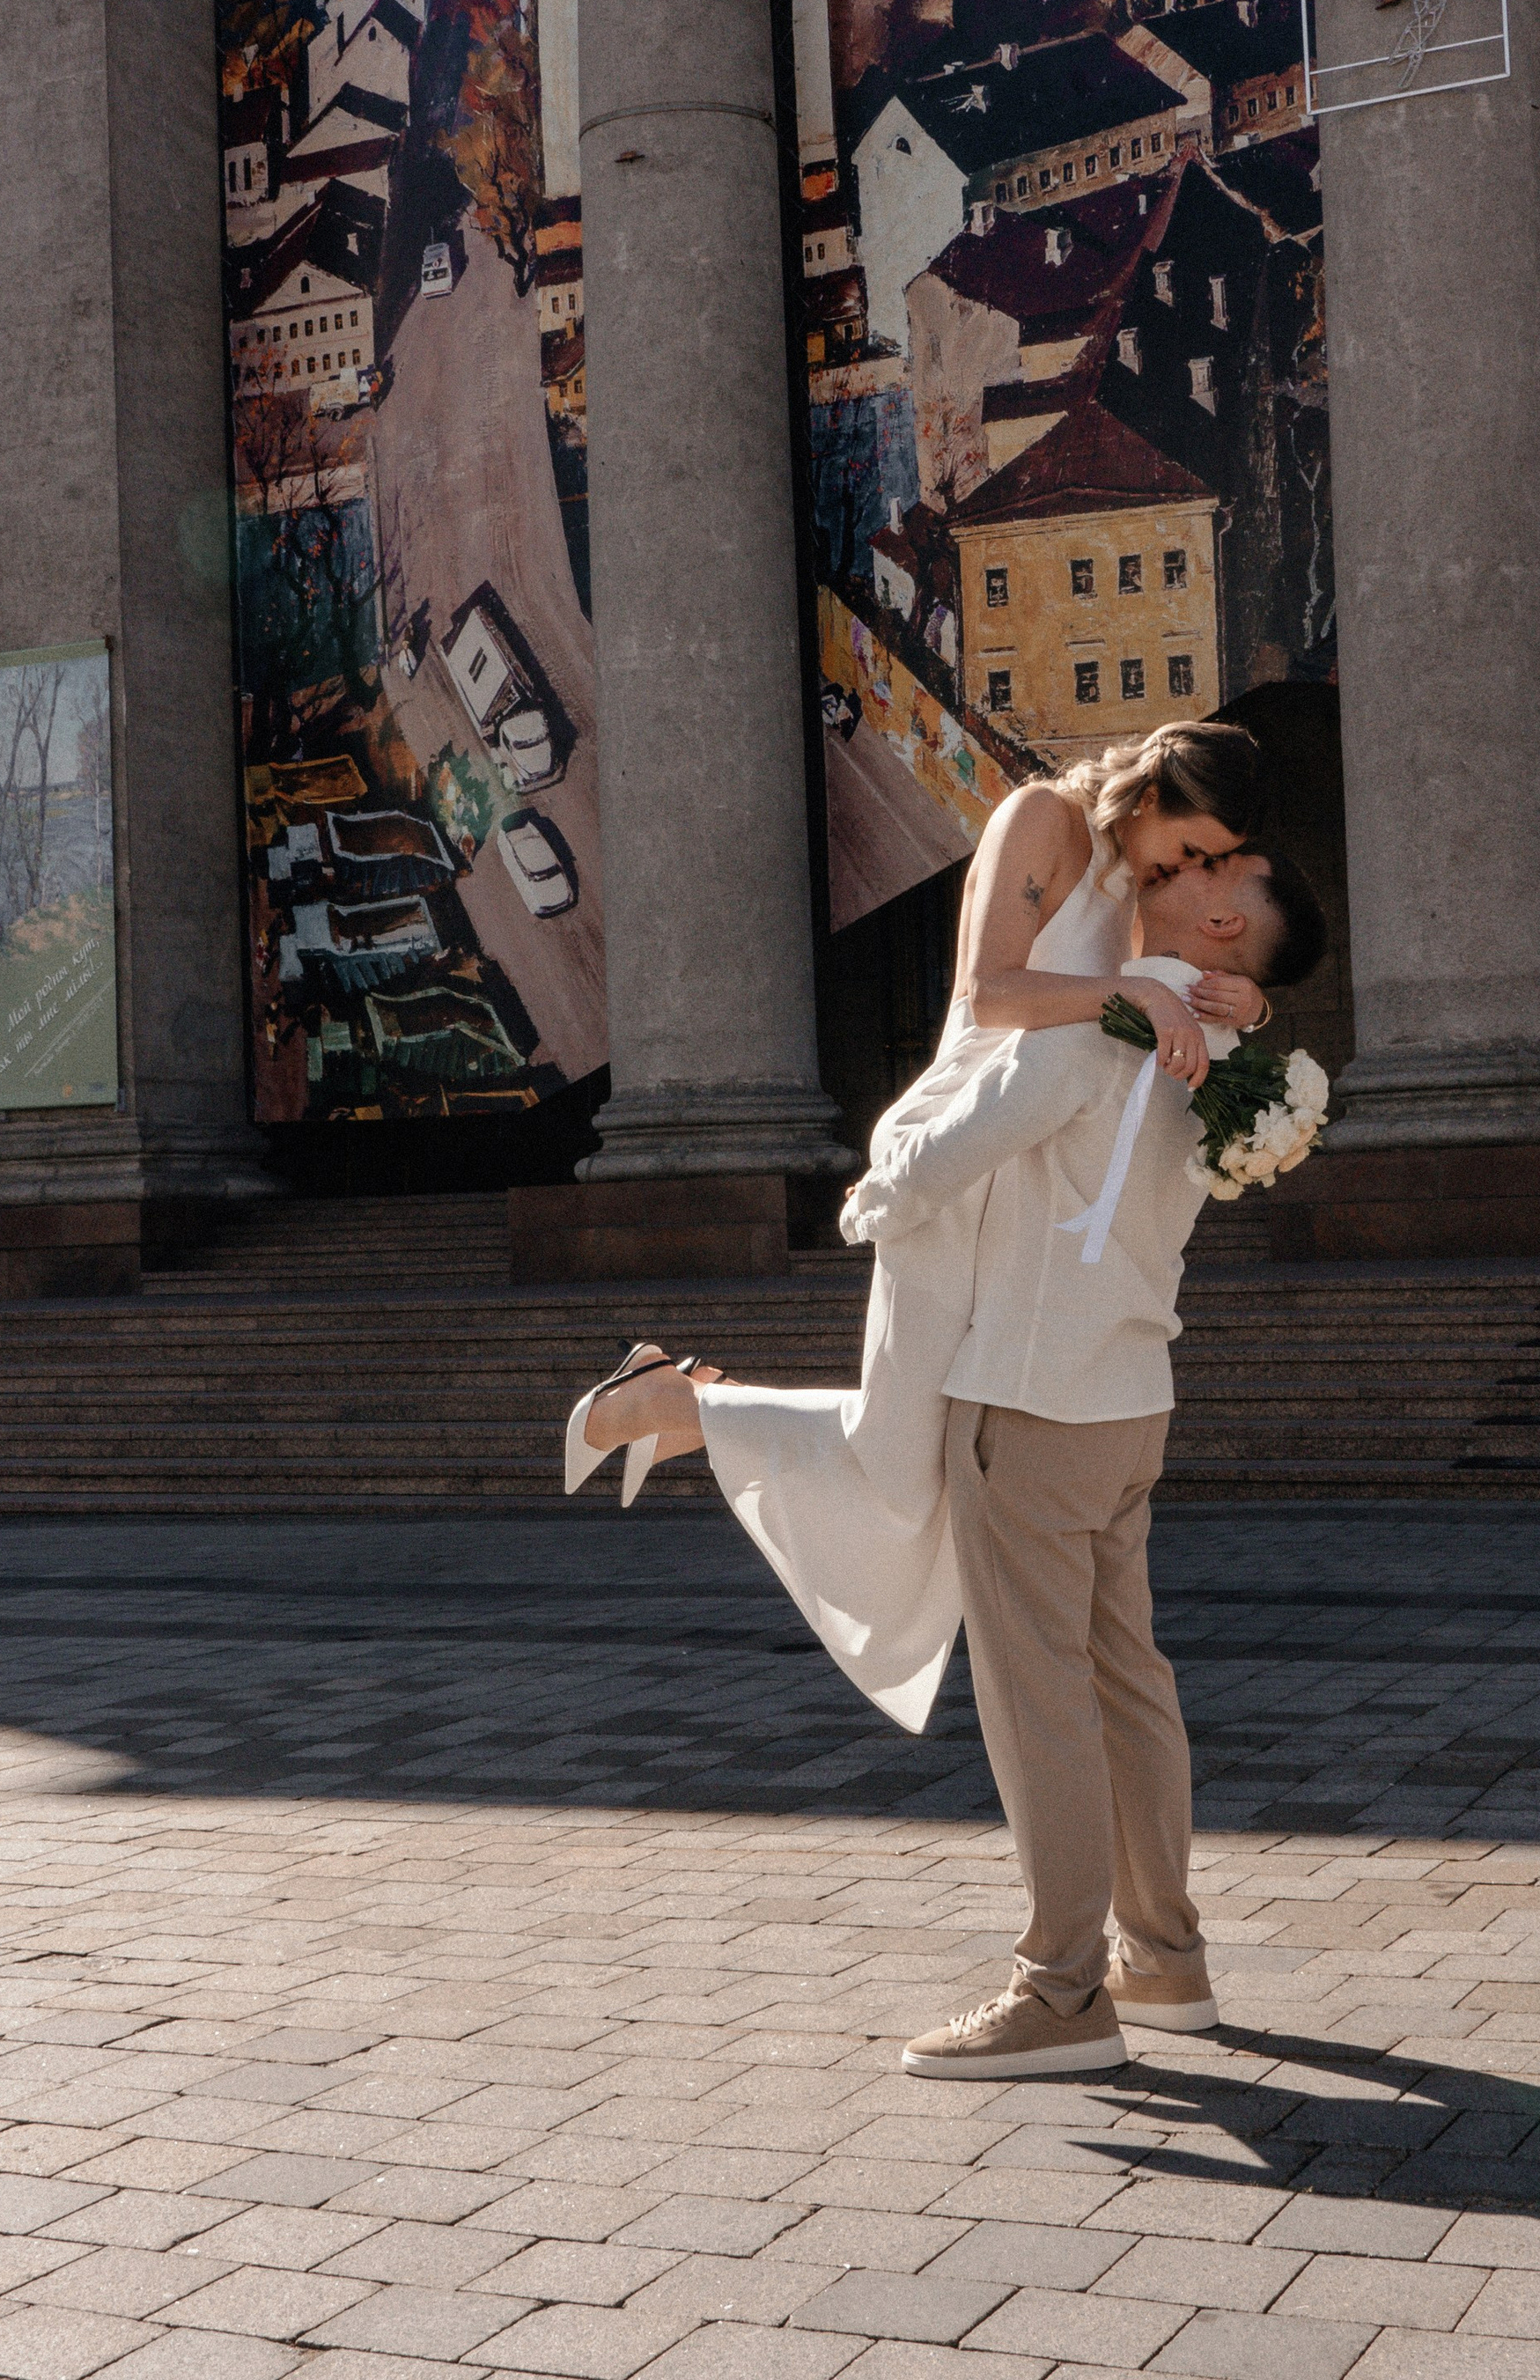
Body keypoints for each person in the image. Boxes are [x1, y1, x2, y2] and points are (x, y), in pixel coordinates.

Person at [567, 833, 1330, 2081]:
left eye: (1219, 864)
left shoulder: (1107, 1035)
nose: (1186, 860)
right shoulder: (1241, 1053)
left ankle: (1061, 1991)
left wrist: (879, 1180)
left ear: (1231, 930)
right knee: (1128, 1680)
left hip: (1029, 1406)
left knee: (1040, 1710)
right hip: (1133, 1400)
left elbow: (947, 1152)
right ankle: (1165, 1957)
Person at [570, 721, 1280, 1721]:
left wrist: (1245, 1008)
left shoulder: (1138, 877)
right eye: (1192, 845)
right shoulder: (1043, 818)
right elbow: (988, 996)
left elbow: (1171, 990)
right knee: (897, 1470)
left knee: (919, 1476)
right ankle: (667, 1397)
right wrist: (1121, 988)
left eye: (1211, 860)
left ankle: (680, 1403)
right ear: (1153, 790)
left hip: (1028, 1208)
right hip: (947, 1168)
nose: (1193, 867)